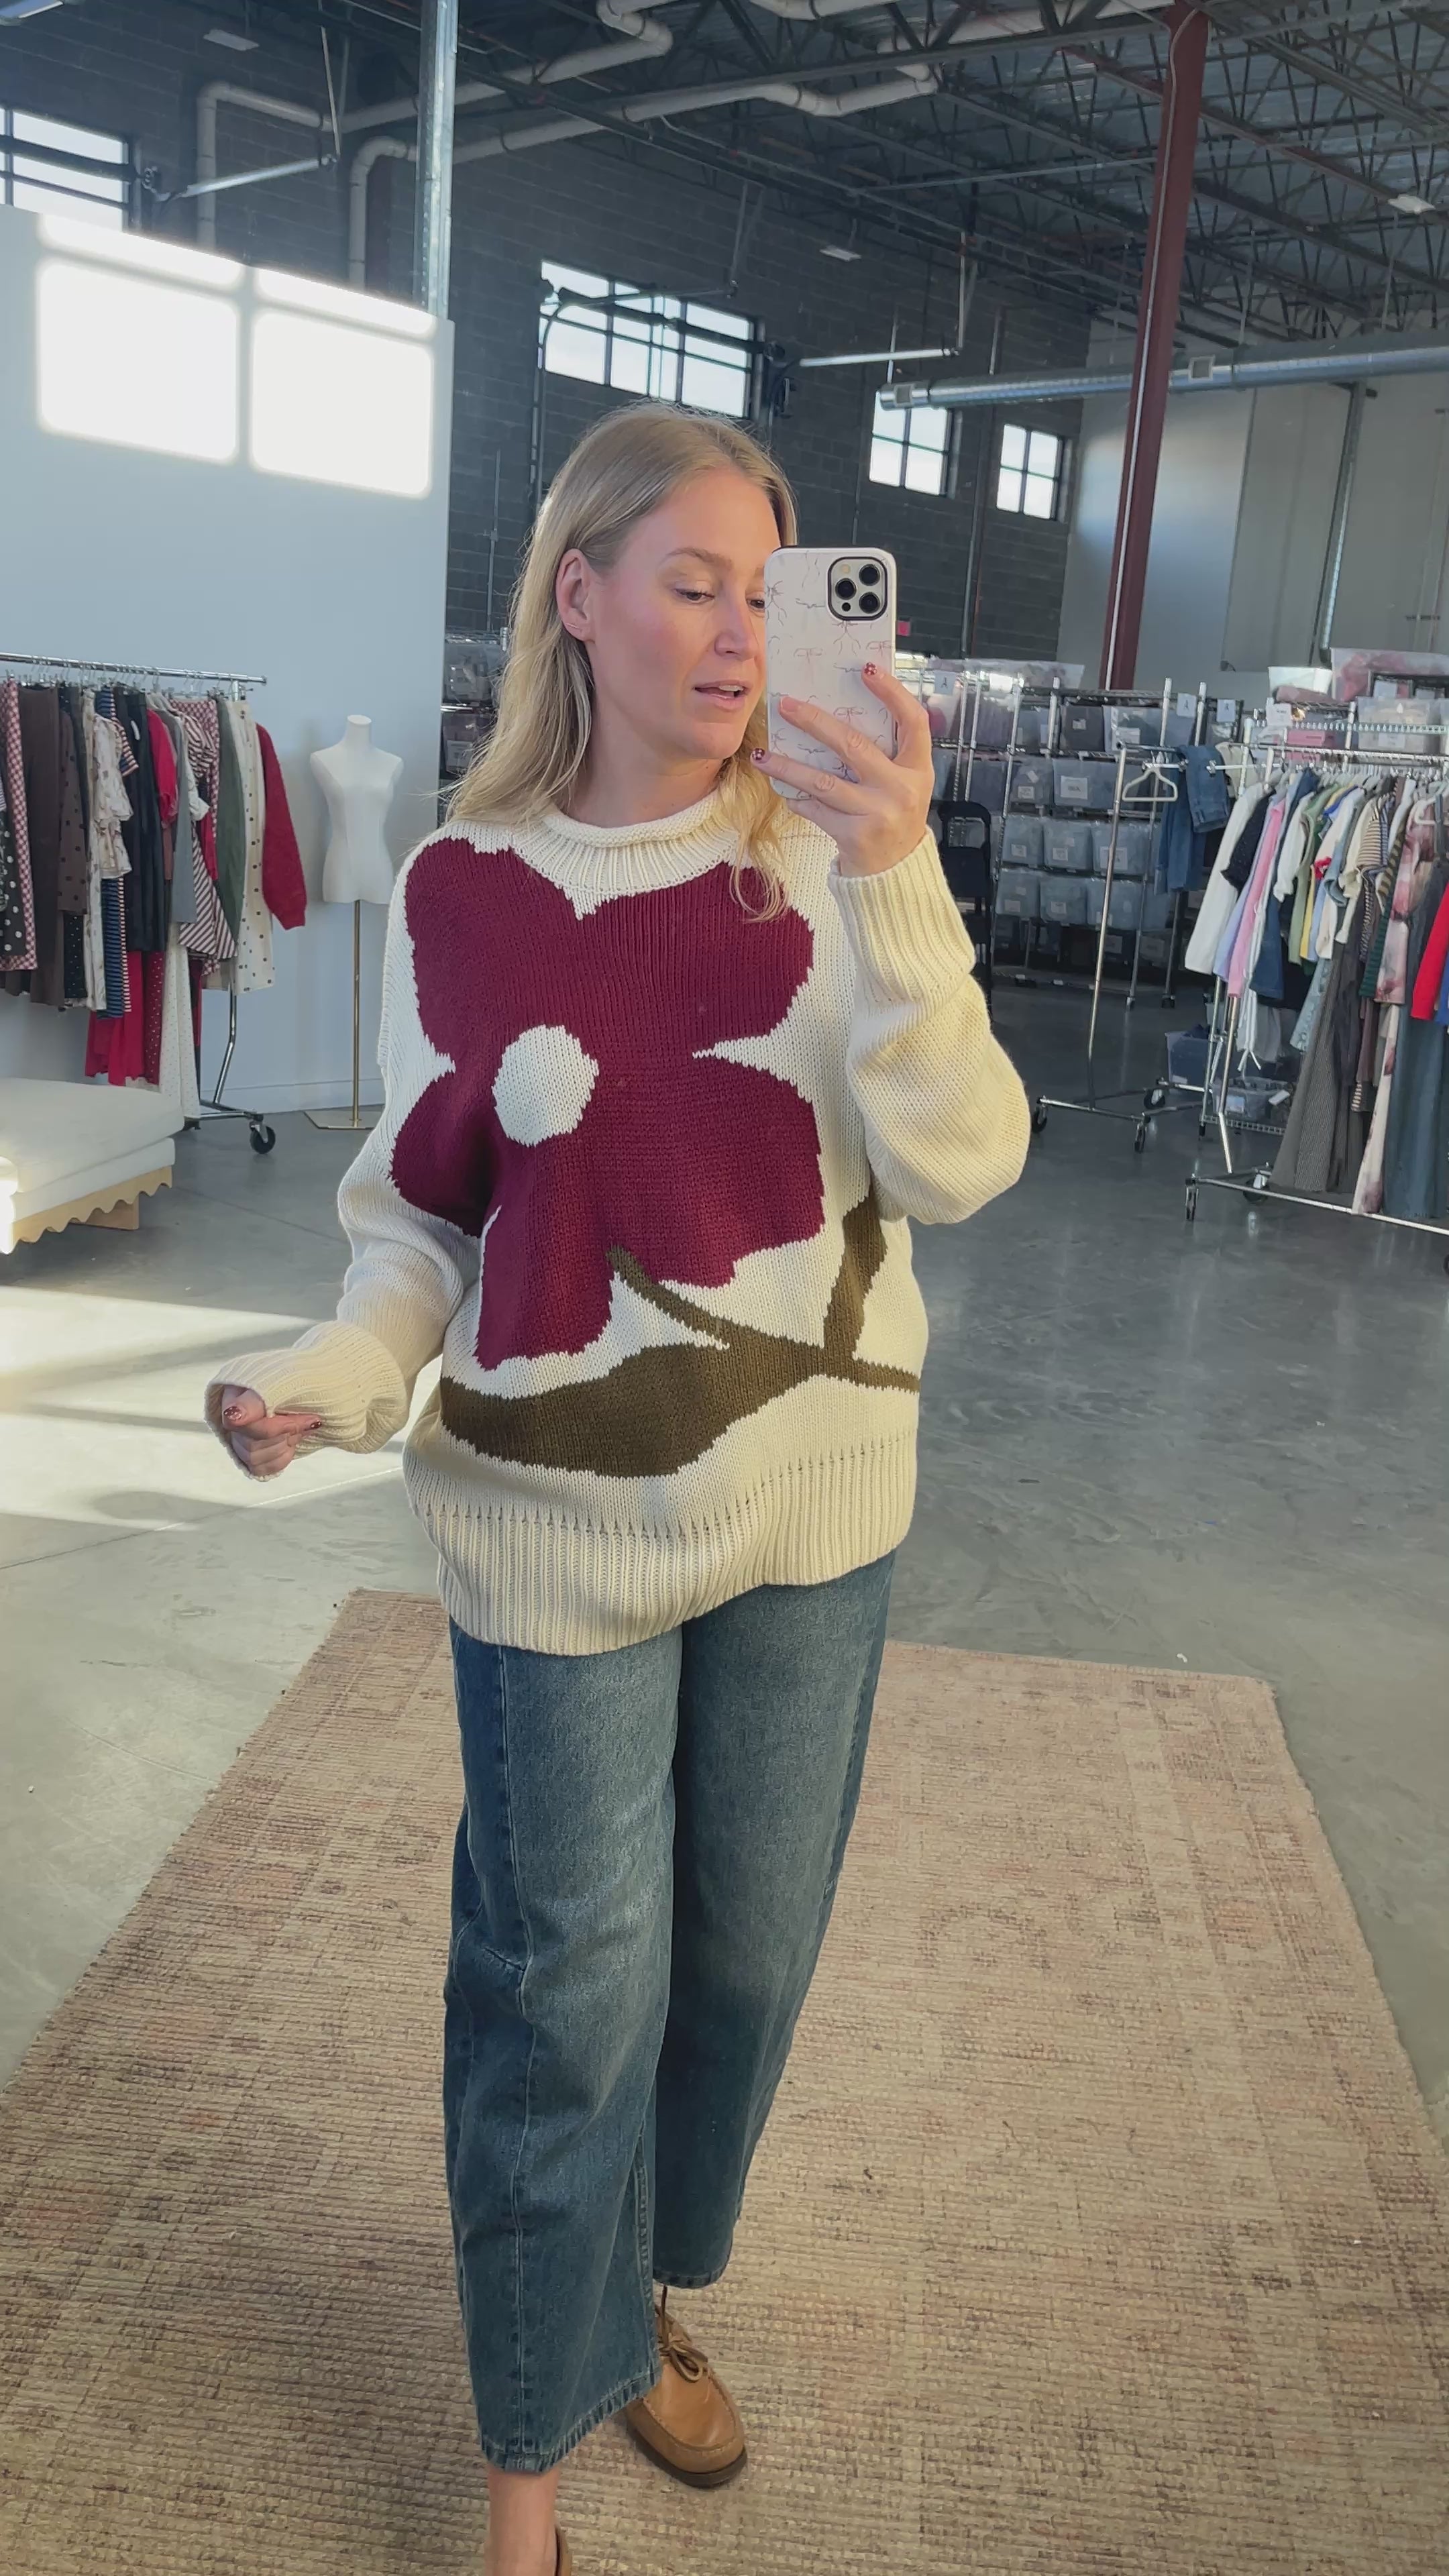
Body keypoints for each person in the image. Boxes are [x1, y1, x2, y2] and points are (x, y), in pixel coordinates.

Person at [206, 402, 1030, 2576]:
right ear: (578, 595)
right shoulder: (463, 886)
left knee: (738, 1971)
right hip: (549, 1513)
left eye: (773, 589)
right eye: (694, 582)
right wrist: (335, 1376)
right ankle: (526, 2479)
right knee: (563, 1992)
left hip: (812, 1506)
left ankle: (643, 2295)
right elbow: (422, 1217)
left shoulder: (837, 862)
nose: (745, 632)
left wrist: (900, 874)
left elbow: (965, 1166)